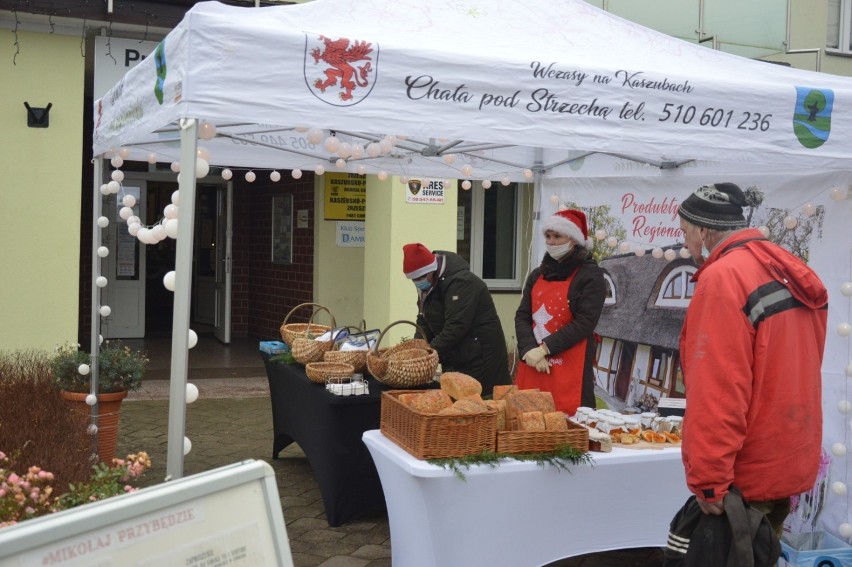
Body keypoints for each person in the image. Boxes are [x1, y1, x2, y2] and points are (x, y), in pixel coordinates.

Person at [677, 182, 828, 536]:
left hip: (746, 473)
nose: (684, 243)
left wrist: (709, 479)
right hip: (789, 459)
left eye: (685, 232)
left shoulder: (723, 278)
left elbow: (719, 389)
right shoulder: (788, 267)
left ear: (703, 229)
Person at [514, 209, 605, 415]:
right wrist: (529, 349)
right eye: (548, 236)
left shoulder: (590, 275)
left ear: (573, 239)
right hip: (533, 361)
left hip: (569, 363)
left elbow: (585, 322)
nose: (552, 242)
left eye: (557, 236)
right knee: (528, 417)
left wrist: (545, 349)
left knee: (568, 424)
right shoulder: (537, 274)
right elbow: (523, 315)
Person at [402, 243, 512, 396]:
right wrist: (417, 349)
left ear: (431, 270)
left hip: (481, 357)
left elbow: (456, 327)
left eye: (420, 278)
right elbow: (423, 320)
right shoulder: (428, 287)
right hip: (458, 355)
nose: (418, 282)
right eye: (414, 280)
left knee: (480, 404)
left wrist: (428, 354)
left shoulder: (462, 282)